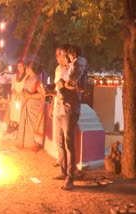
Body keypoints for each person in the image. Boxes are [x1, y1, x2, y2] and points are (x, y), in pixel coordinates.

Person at [51, 45, 84, 190]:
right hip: (58, 108)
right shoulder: (60, 70)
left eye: (61, 55)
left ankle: (70, 177)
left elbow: (79, 87)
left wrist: (64, 86)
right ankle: (63, 172)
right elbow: (57, 89)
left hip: (70, 109)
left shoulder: (76, 69)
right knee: (59, 141)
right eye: (57, 55)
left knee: (69, 143)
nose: (59, 57)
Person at [15, 62, 45, 150]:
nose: (25, 70)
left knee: (32, 124)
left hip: (33, 106)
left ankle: (33, 143)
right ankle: (22, 142)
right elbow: (25, 90)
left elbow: (42, 94)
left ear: (30, 69)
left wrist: (30, 96)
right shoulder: (27, 78)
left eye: (26, 68)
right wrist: (20, 93)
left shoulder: (37, 80)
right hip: (26, 103)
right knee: (24, 122)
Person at [7, 60, 27, 133]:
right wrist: (15, 93)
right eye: (18, 67)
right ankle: (12, 126)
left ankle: (19, 127)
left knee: (19, 113)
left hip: (22, 97)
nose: (19, 68)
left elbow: (26, 87)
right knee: (13, 113)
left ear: (24, 67)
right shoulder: (16, 75)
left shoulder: (26, 76)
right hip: (15, 97)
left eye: (20, 66)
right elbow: (12, 87)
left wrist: (20, 94)